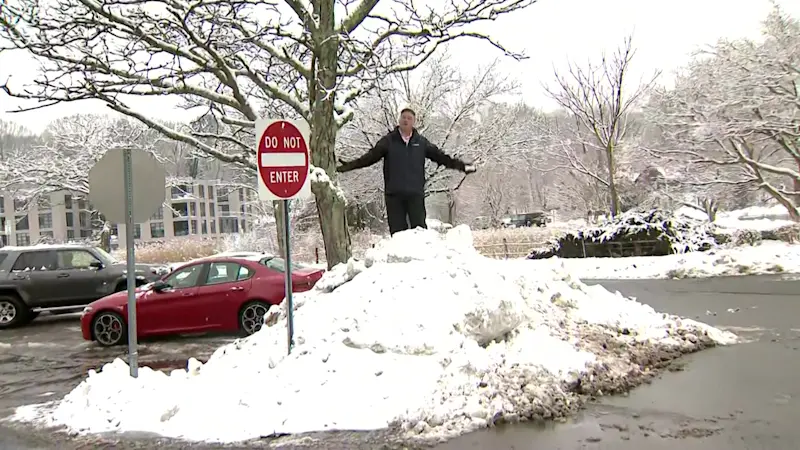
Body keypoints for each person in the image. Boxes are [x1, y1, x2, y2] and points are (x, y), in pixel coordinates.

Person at [337, 107, 476, 235]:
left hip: (415, 194)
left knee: (420, 232)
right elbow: (370, 157)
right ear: (399, 120)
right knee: (398, 234)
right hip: (394, 195)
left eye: (409, 118)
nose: (405, 120)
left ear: (414, 122)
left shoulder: (421, 142)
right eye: (403, 117)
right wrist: (348, 166)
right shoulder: (389, 141)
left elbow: (441, 157)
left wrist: (462, 166)